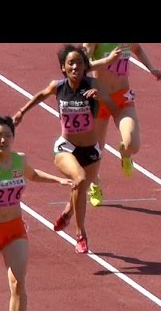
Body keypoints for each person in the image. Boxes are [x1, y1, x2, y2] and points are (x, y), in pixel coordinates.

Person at [0, 116, 73, 311]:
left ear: (13, 137)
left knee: (18, 283)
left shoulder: (20, 160)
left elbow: (33, 175)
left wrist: (58, 180)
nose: (3, 140)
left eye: (7, 136)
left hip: (15, 229)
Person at [12, 44, 119, 254]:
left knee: (80, 190)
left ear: (85, 66)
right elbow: (41, 95)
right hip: (66, 147)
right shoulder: (58, 87)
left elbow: (115, 110)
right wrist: (21, 112)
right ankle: (80, 235)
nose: (75, 66)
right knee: (79, 180)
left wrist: (102, 98)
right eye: (70, 63)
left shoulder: (94, 84)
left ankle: (68, 214)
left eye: (79, 62)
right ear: (63, 67)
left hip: (91, 150)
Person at [82, 43, 161, 207]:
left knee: (133, 144)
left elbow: (138, 49)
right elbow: (82, 67)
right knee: (95, 153)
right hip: (99, 98)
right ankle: (95, 184)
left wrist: (151, 69)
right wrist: (107, 60)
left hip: (122, 97)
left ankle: (125, 154)